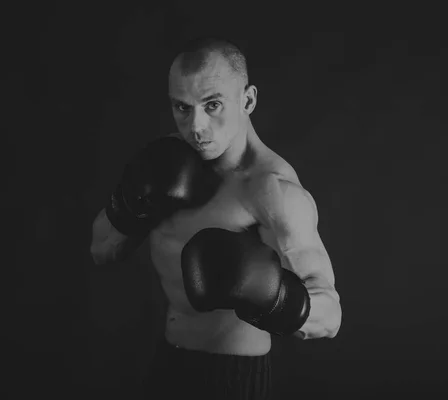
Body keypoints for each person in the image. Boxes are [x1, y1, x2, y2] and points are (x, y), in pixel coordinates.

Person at [90, 37, 342, 400]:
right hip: (168, 361)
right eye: (182, 107)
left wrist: (273, 296)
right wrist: (131, 205)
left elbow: (330, 318)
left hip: (233, 378)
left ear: (248, 100)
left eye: (212, 105)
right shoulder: (163, 164)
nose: (196, 126)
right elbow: (102, 250)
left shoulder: (273, 191)